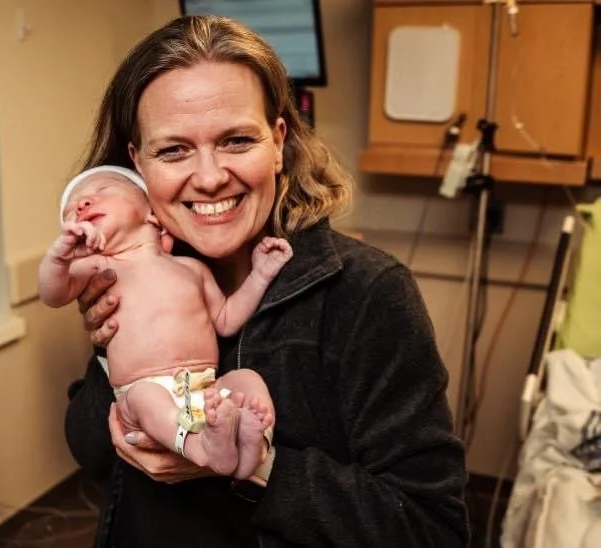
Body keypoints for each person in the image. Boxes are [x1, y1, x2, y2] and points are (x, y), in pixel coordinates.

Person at [64, 15, 470, 547]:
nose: (209, 177)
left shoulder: (368, 295)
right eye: (173, 150)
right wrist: (107, 355)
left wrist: (256, 466)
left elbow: (430, 527)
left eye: (236, 140)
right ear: (138, 164)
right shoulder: (136, 272)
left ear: (278, 142)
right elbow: (92, 453)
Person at [39, 165, 292, 480]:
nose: (82, 204)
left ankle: (252, 445)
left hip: (203, 387)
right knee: (147, 398)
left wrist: (261, 274)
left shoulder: (191, 268)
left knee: (245, 380)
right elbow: (52, 293)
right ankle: (200, 447)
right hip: (141, 393)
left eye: (102, 190)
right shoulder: (97, 270)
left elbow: (227, 320)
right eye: (71, 210)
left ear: (151, 213)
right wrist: (59, 257)